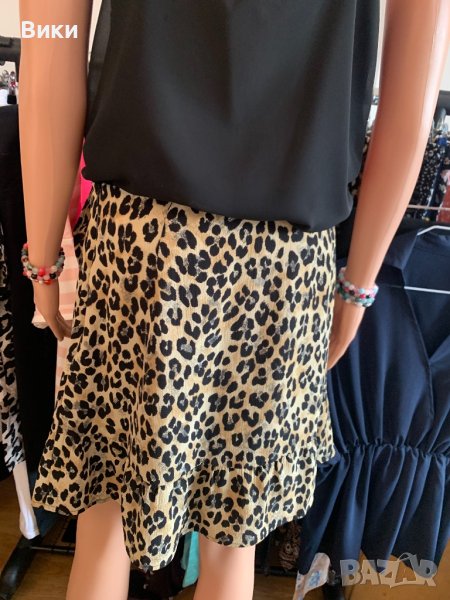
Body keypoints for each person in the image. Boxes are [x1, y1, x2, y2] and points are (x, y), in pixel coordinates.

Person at [18, 1, 450, 599]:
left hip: (142, 246)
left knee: (106, 517)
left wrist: (43, 259)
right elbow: (412, 98)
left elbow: (48, 39)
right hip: (284, 265)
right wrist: (357, 284)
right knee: (232, 539)